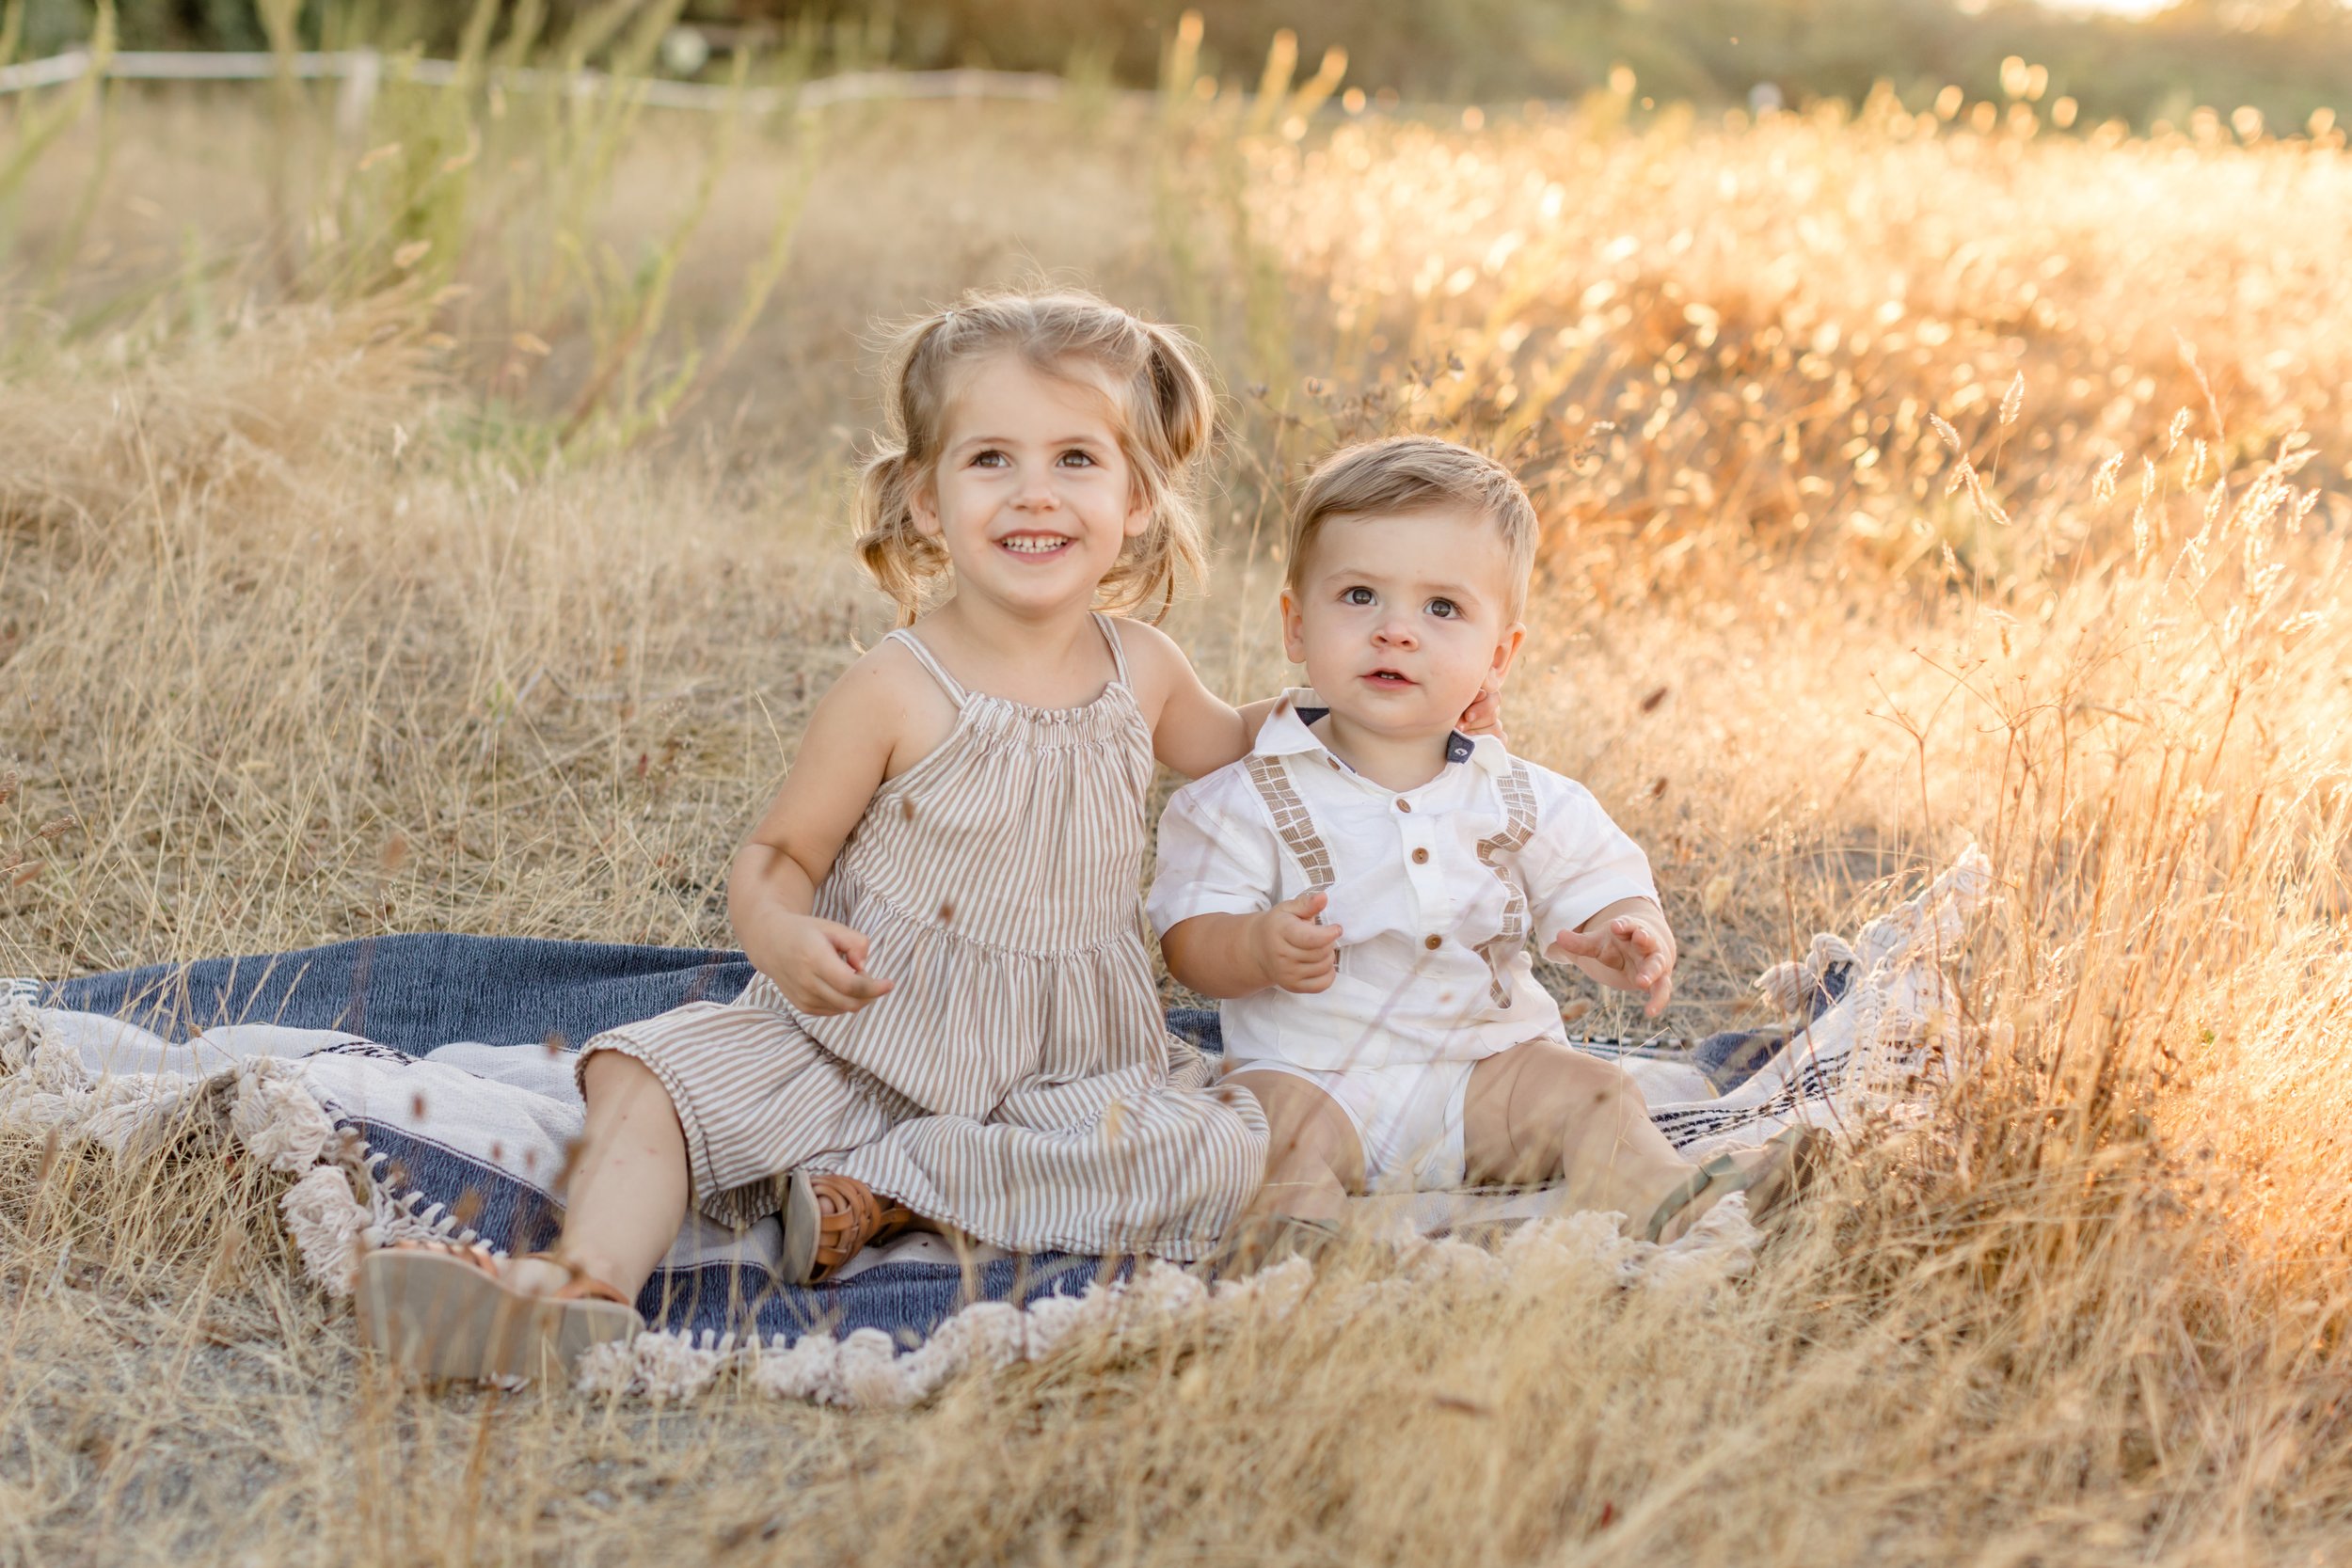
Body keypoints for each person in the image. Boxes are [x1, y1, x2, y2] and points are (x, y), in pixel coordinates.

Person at [356, 294, 1502, 1381]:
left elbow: (1247, 738)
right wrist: (782, 937)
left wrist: (1386, 700)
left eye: (1076, 460)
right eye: (989, 458)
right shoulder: (896, 685)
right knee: (646, 1075)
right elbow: (776, 856)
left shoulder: (1142, 668)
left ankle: (890, 1187)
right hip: (867, 1024)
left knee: (1218, 1143)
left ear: (1138, 500)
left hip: (1067, 1052)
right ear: (922, 496)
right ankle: (581, 1290)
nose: (1033, 495)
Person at [1149, 436, 1815, 1261]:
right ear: (1295, 623)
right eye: (1359, 595)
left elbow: (1599, 874)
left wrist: (1626, 928)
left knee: (1594, 1088)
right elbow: (1189, 942)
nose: (1396, 631)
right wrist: (1252, 945)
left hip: (1486, 1077)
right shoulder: (1246, 794)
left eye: (1442, 609)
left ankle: (1666, 1201)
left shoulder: (1521, 793)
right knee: (1258, 1123)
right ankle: (1302, 1244)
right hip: (1313, 1077)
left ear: (1498, 655)